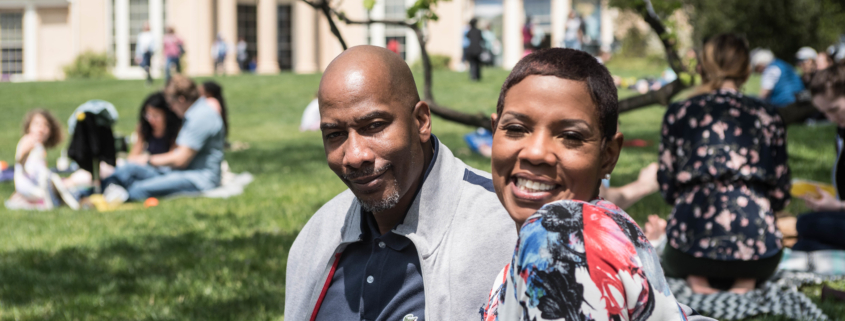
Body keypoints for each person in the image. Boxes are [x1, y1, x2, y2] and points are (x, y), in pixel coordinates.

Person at [284, 45, 516, 321]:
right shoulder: (317, 237)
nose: (355, 156)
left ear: (421, 121)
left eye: (374, 126)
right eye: (335, 135)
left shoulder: (507, 227)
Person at [481, 48, 690, 321]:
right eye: (516, 129)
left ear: (608, 155)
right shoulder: (582, 234)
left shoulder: (558, 240)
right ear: (494, 130)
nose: (535, 152)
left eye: (570, 136)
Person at [658, 34, 790, 294]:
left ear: (702, 67)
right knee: (756, 259)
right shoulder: (767, 114)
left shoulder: (679, 111)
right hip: (759, 250)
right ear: (747, 69)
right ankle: (745, 282)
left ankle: (698, 280)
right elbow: (781, 190)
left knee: (680, 257)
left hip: (688, 247)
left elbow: (667, 186)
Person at [102, 75, 225, 201]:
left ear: (181, 99)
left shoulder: (201, 117)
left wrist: (148, 160)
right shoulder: (195, 114)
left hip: (198, 179)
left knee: (137, 189)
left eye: (172, 103)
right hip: (179, 172)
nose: (171, 108)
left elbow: (180, 160)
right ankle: (98, 190)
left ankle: (110, 197)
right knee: (130, 169)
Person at [789, 63, 845, 252]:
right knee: (804, 239)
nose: (831, 118)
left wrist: (837, 206)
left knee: (806, 225)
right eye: (825, 112)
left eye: (835, 109)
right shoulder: (841, 131)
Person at [6, 109, 64, 210]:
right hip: (27, 184)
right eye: (37, 124)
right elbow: (20, 158)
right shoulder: (29, 140)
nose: (41, 129)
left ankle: (26, 201)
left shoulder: (39, 146)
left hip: (32, 184)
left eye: (46, 125)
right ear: (29, 127)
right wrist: (25, 153)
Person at [127, 92, 182, 163]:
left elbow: (173, 157)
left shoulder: (176, 129)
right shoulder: (144, 127)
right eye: (148, 115)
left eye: (156, 116)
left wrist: (148, 159)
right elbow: (133, 155)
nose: (151, 120)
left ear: (167, 116)